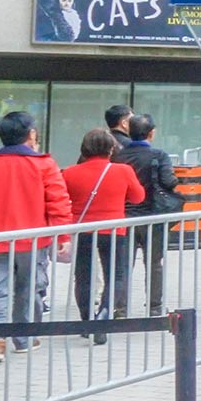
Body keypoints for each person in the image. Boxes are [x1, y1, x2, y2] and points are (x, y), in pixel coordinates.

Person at [0, 112, 71, 359]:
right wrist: (62, 237)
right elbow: (58, 202)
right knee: (29, 289)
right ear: (31, 135)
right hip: (33, 240)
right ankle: (24, 338)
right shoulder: (44, 165)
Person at [63, 127, 144, 343]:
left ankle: (87, 321)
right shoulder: (122, 170)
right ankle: (105, 316)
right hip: (114, 229)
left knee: (83, 276)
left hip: (82, 230)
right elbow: (138, 197)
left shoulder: (70, 172)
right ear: (111, 149)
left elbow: (63, 200)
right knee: (115, 275)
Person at [113, 113, 181, 318]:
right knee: (154, 264)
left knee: (123, 265)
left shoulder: (118, 156)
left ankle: (120, 309)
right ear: (151, 133)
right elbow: (168, 181)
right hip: (154, 215)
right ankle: (154, 307)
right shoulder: (159, 155)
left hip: (125, 216)